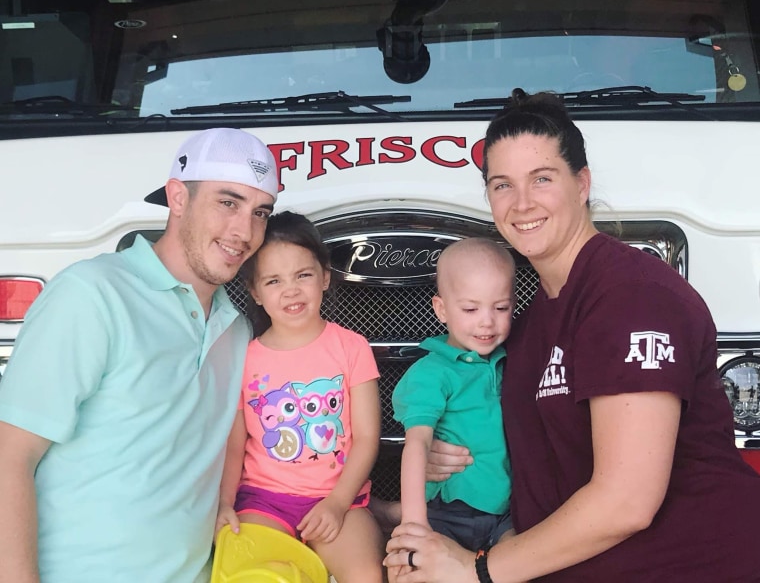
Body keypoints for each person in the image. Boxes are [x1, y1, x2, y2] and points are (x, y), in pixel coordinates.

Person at [385, 88, 760, 583]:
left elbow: (627, 501)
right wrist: (449, 453)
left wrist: (477, 571)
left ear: (581, 183)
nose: (521, 204)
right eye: (502, 186)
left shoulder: (632, 295)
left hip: (685, 565)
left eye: (542, 179)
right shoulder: (534, 318)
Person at [0, 127, 278, 583]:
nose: (244, 232)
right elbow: (10, 457)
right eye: (227, 203)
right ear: (178, 198)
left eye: (260, 212)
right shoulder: (91, 294)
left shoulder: (238, 329)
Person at [215, 211, 385, 583]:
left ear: (325, 277)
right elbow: (235, 442)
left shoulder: (351, 347)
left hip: (339, 497)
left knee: (366, 576)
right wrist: (225, 503)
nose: (291, 290)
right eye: (274, 281)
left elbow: (368, 437)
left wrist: (338, 503)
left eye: (303, 275)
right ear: (256, 293)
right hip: (264, 500)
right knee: (256, 574)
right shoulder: (246, 357)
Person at [392, 238, 514, 553]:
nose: (487, 321)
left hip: (508, 513)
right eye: (471, 309)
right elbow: (417, 443)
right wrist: (414, 523)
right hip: (449, 513)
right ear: (442, 309)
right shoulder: (432, 372)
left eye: (501, 307)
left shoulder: (506, 361)